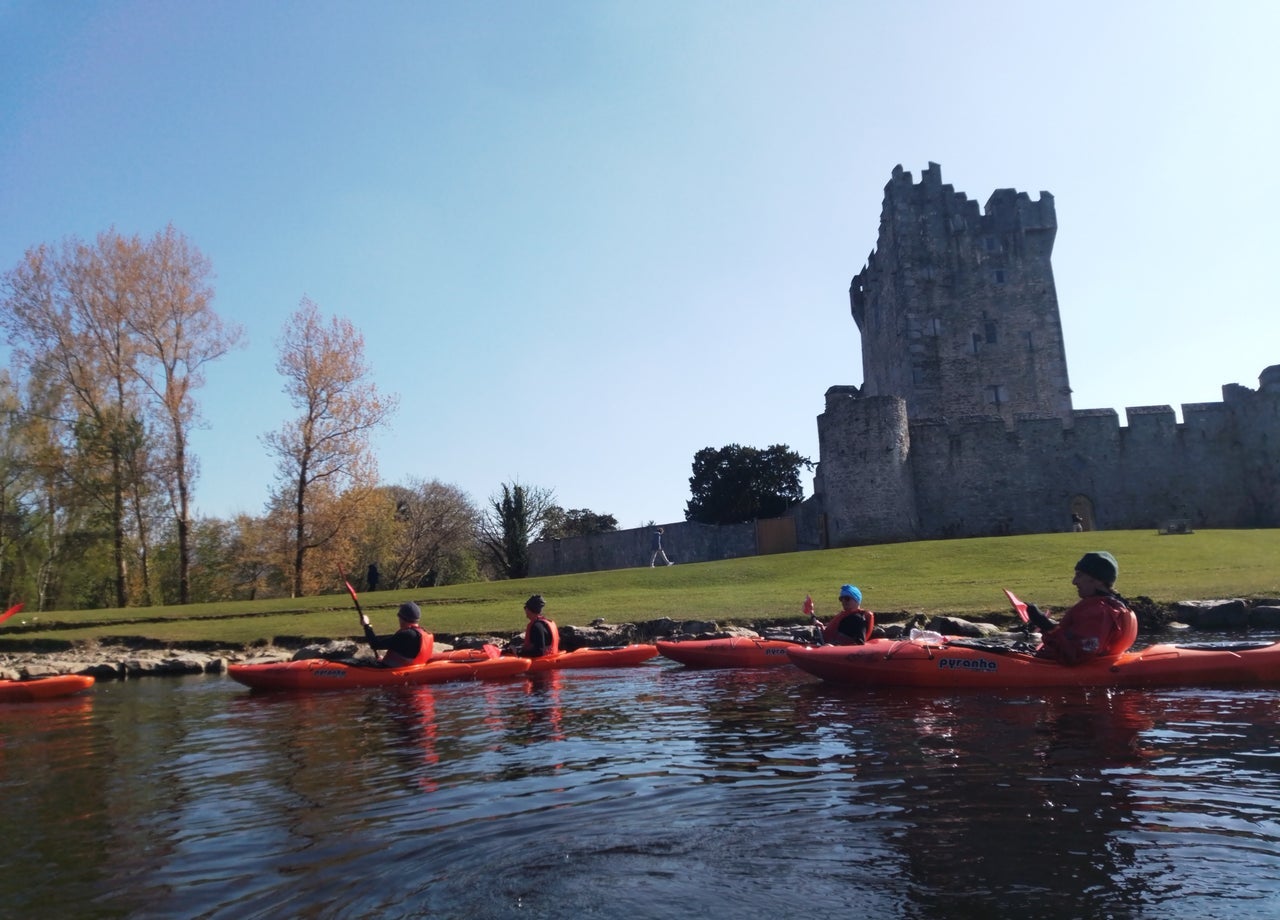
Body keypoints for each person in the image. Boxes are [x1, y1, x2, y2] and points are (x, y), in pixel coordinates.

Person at [1025, 551, 1138, 665]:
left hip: (1078, 669)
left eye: (1079, 575)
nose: (1074, 582)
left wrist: (1047, 626)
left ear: (1097, 580)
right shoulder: (1114, 605)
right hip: (1100, 663)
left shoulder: (1098, 611)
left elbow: (1077, 655)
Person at [361, 601, 433, 667]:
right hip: (413, 670)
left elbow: (375, 644)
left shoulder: (406, 635)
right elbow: (406, 653)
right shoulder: (424, 633)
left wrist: (367, 625)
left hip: (392, 674)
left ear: (402, 618)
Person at [809, 584, 875, 645]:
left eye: (847, 598)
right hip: (828, 645)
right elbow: (835, 635)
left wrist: (835, 647)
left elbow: (858, 643)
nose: (843, 601)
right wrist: (822, 627)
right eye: (841, 599)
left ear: (857, 600)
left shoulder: (858, 619)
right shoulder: (846, 617)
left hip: (838, 650)